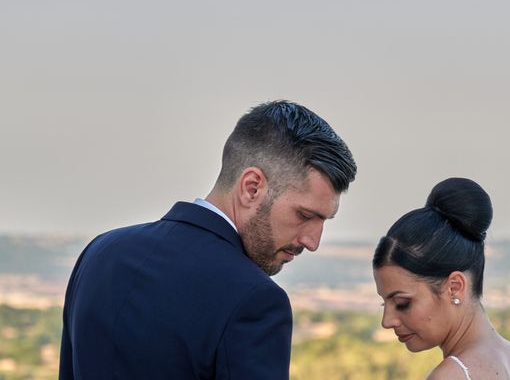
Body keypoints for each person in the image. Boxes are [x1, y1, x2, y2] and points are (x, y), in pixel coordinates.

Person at [59, 100, 357, 380]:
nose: (313, 241)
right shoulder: (256, 300)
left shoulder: (100, 253)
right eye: (305, 215)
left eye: (323, 221)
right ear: (252, 188)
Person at [373, 178, 510, 380]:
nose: (387, 321)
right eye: (385, 303)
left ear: (454, 287)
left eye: (402, 303)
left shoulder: (451, 376)